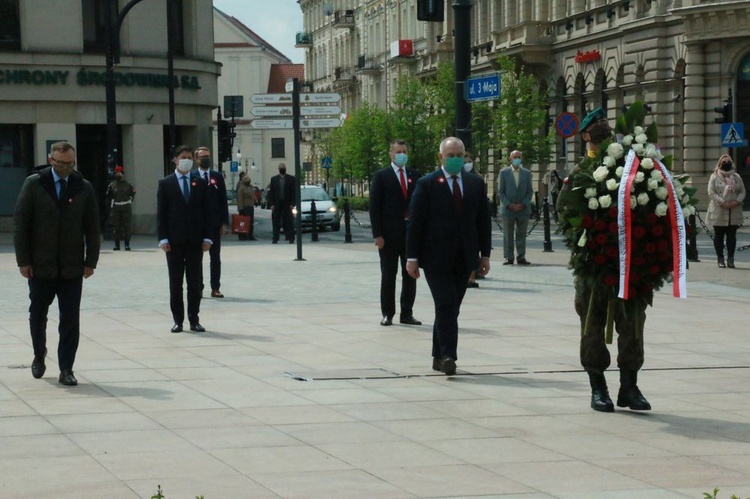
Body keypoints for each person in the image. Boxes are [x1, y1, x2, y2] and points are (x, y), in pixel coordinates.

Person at [557, 105, 658, 413]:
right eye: (595, 139)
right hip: (595, 263)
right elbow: (565, 210)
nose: (598, 144)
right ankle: (598, 386)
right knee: (592, 323)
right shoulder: (582, 172)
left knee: (633, 325)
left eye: (603, 138)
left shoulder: (636, 169)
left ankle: (629, 386)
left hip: (632, 264)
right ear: (587, 139)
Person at [13, 141, 101, 386]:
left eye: (70, 163)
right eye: (61, 163)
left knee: (70, 319)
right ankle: (39, 354)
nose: (65, 168)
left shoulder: (83, 187)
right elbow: (21, 226)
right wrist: (24, 261)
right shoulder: (34, 184)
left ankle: (66, 368)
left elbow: (93, 228)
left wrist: (90, 261)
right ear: (51, 161)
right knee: (38, 315)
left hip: (72, 266)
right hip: (41, 265)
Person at [406, 137, 492, 375]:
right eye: (450, 155)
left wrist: (484, 255)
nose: (455, 159)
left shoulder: (475, 183)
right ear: (440, 157)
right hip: (435, 258)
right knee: (445, 304)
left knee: (451, 308)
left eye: (459, 155)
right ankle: (448, 356)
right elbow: (415, 222)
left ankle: (437, 354)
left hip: (464, 258)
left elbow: (483, 221)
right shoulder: (427, 184)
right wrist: (411, 257)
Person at [157, 145, 212, 333]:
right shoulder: (166, 183)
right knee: (176, 283)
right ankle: (178, 320)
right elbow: (161, 214)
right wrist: (163, 238)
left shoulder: (200, 183)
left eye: (189, 157)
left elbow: (207, 212)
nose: (186, 160)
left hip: (195, 241)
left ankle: (194, 319)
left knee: (194, 283)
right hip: (174, 242)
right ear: (175, 159)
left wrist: (208, 237)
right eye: (183, 157)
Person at [369, 139, 422, 326]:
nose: (402, 155)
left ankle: (407, 313)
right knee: (388, 274)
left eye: (405, 151)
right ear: (391, 154)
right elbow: (374, 207)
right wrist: (378, 235)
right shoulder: (381, 176)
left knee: (410, 274)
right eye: (398, 151)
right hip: (389, 236)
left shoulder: (415, 175)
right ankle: (388, 313)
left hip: (410, 235)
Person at [195, 146, 229, 298]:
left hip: (215, 223)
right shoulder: (192, 176)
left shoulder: (217, 177)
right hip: (198, 224)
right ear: (197, 159)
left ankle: (215, 287)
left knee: (215, 257)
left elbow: (223, 200)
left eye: (207, 156)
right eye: (202, 157)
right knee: (197, 258)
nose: (205, 159)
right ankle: (198, 287)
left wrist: (224, 223)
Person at [707, 154, 745, 268]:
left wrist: (736, 202)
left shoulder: (737, 177)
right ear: (719, 164)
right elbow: (711, 192)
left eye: (728, 161)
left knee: (731, 236)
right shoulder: (714, 177)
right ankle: (720, 258)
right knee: (719, 236)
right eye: (724, 161)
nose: (726, 163)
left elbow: (742, 191)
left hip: (734, 211)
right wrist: (722, 202)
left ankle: (731, 259)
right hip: (718, 211)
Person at [497, 150, 533, 265]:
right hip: (508, 209)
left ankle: (521, 256)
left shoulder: (527, 173)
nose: (517, 159)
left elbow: (529, 191)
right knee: (508, 234)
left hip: (523, 209)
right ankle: (509, 257)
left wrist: (523, 204)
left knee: (521, 234)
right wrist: (509, 204)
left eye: (519, 157)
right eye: (515, 157)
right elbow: (501, 192)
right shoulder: (504, 172)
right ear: (510, 159)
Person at [464, 150, 483, 288]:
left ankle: (472, 277)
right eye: (465, 162)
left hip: (473, 220)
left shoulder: (477, 179)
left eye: (469, 162)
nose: (467, 164)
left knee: (473, 250)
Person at [105, 165, 136, 251]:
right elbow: (108, 196)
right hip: (117, 207)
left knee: (127, 227)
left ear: (123, 174)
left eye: (120, 173)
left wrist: (130, 200)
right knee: (116, 227)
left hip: (126, 207)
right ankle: (117, 245)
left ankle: (127, 244)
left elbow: (132, 193)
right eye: (117, 173)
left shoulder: (128, 185)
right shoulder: (112, 185)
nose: (118, 175)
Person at [267, 163, 296, 244]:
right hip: (277, 203)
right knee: (276, 222)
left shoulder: (291, 179)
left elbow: (294, 192)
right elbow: (271, 193)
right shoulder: (274, 179)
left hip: (287, 203)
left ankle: (291, 238)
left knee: (289, 221)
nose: (282, 169)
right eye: (281, 168)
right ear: (278, 169)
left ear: (285, 169)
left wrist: (293, 203)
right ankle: (275, 238)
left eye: (283, 168)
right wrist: (271, 204)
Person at [236, 174, 257, 241]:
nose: (248, 182)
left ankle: (250, 235)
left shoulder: (250, 187)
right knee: (243, 222)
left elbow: (253, 195)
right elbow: (240, 199)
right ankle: (242, 235)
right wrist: (240, 208)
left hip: (250, 206)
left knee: (251, 222)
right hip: (244, 207)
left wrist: (256, 201)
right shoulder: (241, 188)